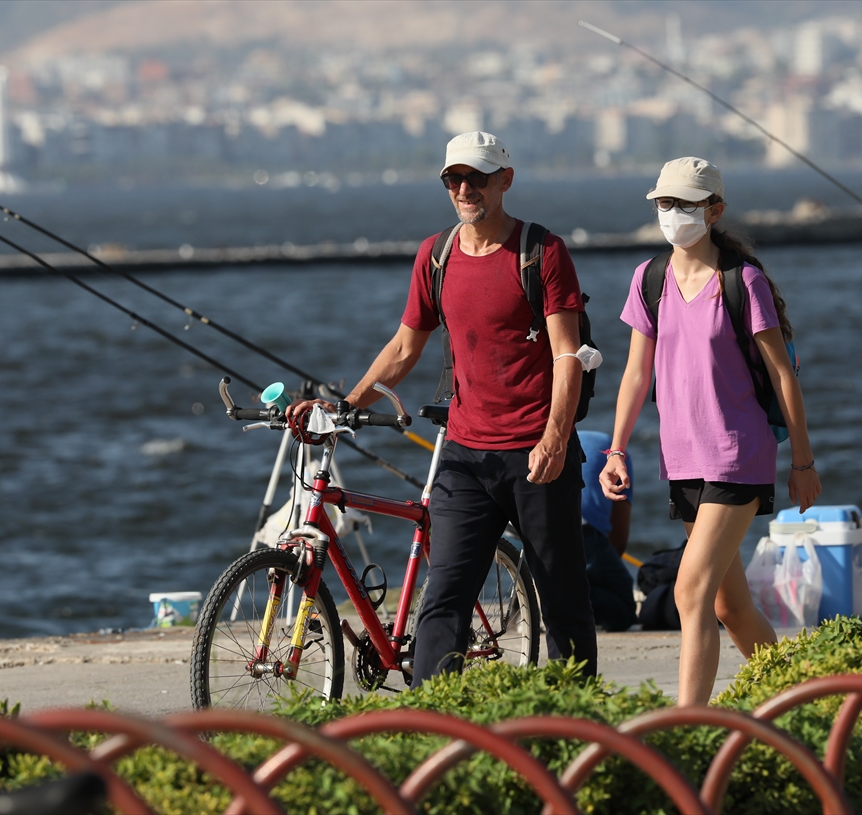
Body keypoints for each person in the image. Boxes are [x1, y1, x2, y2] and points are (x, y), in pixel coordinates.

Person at [291, 131, 598, 685]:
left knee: (563, 601)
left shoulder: (542, 252)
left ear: (504, 180)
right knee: (444, 598)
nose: (463, 189)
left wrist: (556, 436)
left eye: (475, 178)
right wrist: (345, 404)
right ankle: (431, 724)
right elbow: (405, 346)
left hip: (537, 454)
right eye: (452, 179)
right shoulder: (436, 256)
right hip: (464, 455)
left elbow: (567, 353)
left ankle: (576, 724)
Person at [599, 157, 822, 706]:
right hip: (683, 462)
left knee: (689, 591)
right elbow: (634, 374)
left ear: (714, 210)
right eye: (664, 204)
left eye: (684, 204)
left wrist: (802, 462)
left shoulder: (741, 281)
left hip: (738, 456)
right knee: (730, 606)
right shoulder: (649, 280)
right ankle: (803, 697)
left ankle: (687, 725)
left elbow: (781, 374)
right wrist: (616, 449)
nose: (672, 214)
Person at [578, 429, 637, 632]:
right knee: (625, 610)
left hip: (520, 526)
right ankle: (560, 595)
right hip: (582, 531)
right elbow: (619, 536)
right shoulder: (614, 453)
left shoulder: (553, 439)